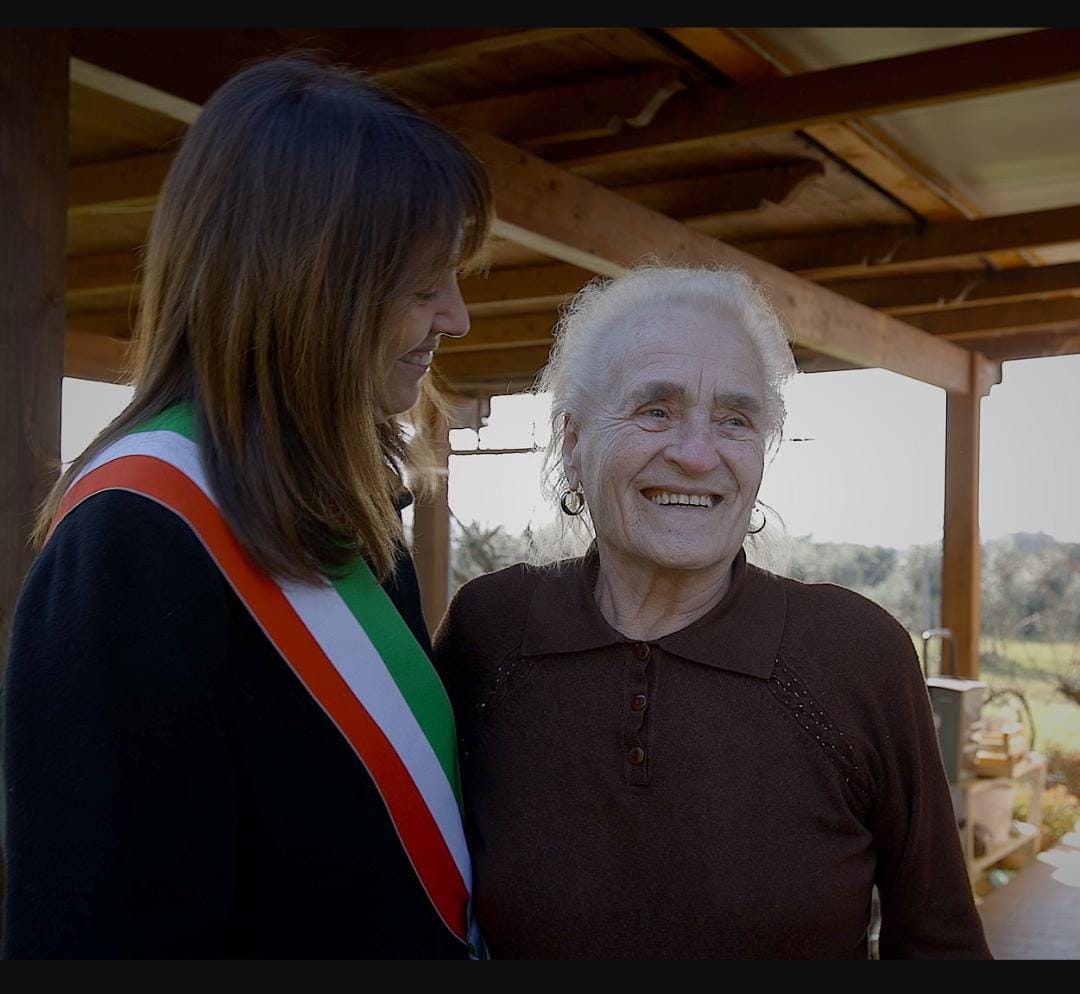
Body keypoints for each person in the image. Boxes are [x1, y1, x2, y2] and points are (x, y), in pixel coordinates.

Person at [2, 53, 492, 958]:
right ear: (309, 284)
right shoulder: (135, 536)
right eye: (426, 285)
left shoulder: (341, 501)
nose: (457, 317)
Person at [433, 263, 993, 959]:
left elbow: (941, 947)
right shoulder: (492, 631)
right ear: (573, 446)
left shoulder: (856, 655)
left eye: (735, 420)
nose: (697, 455)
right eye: (655, 410)